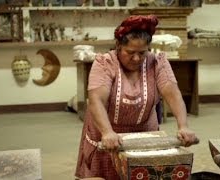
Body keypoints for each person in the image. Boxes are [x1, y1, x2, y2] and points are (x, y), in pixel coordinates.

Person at [75, 15, 198, 179]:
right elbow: (96, 99)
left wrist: (183, 126)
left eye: (142, 53)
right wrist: (107, 132)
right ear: (118, 45)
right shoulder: (105, 63)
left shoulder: (157, 63)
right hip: (109, 136)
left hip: (145, 135)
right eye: (130, 52)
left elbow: (173, 94)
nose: (137, 58)